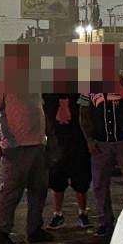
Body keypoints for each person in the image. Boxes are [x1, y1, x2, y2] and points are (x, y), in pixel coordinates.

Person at [0, 44, 53, 244]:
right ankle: (2, 232)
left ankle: (34, 229)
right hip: (15, 147)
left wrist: (48, 136)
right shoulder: (2, 81)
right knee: (11, 191)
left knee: (39, 190)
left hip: (37, 145)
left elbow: (40, 109)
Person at [79, 45, 123, 237]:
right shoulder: (87, 88)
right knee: (99, 184)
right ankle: (105, 221)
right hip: (101, 142)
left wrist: (115, 81)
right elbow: (83, 115)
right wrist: (89, 139)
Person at [43, 53, 91, 229]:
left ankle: (83, 212)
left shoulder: (82, 87)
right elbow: (45, 112)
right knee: (57, 178)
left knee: (81, 179)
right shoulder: (49, 90)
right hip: (57, 139)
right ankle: (58, 213)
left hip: (78, 138)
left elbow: (86, 111)